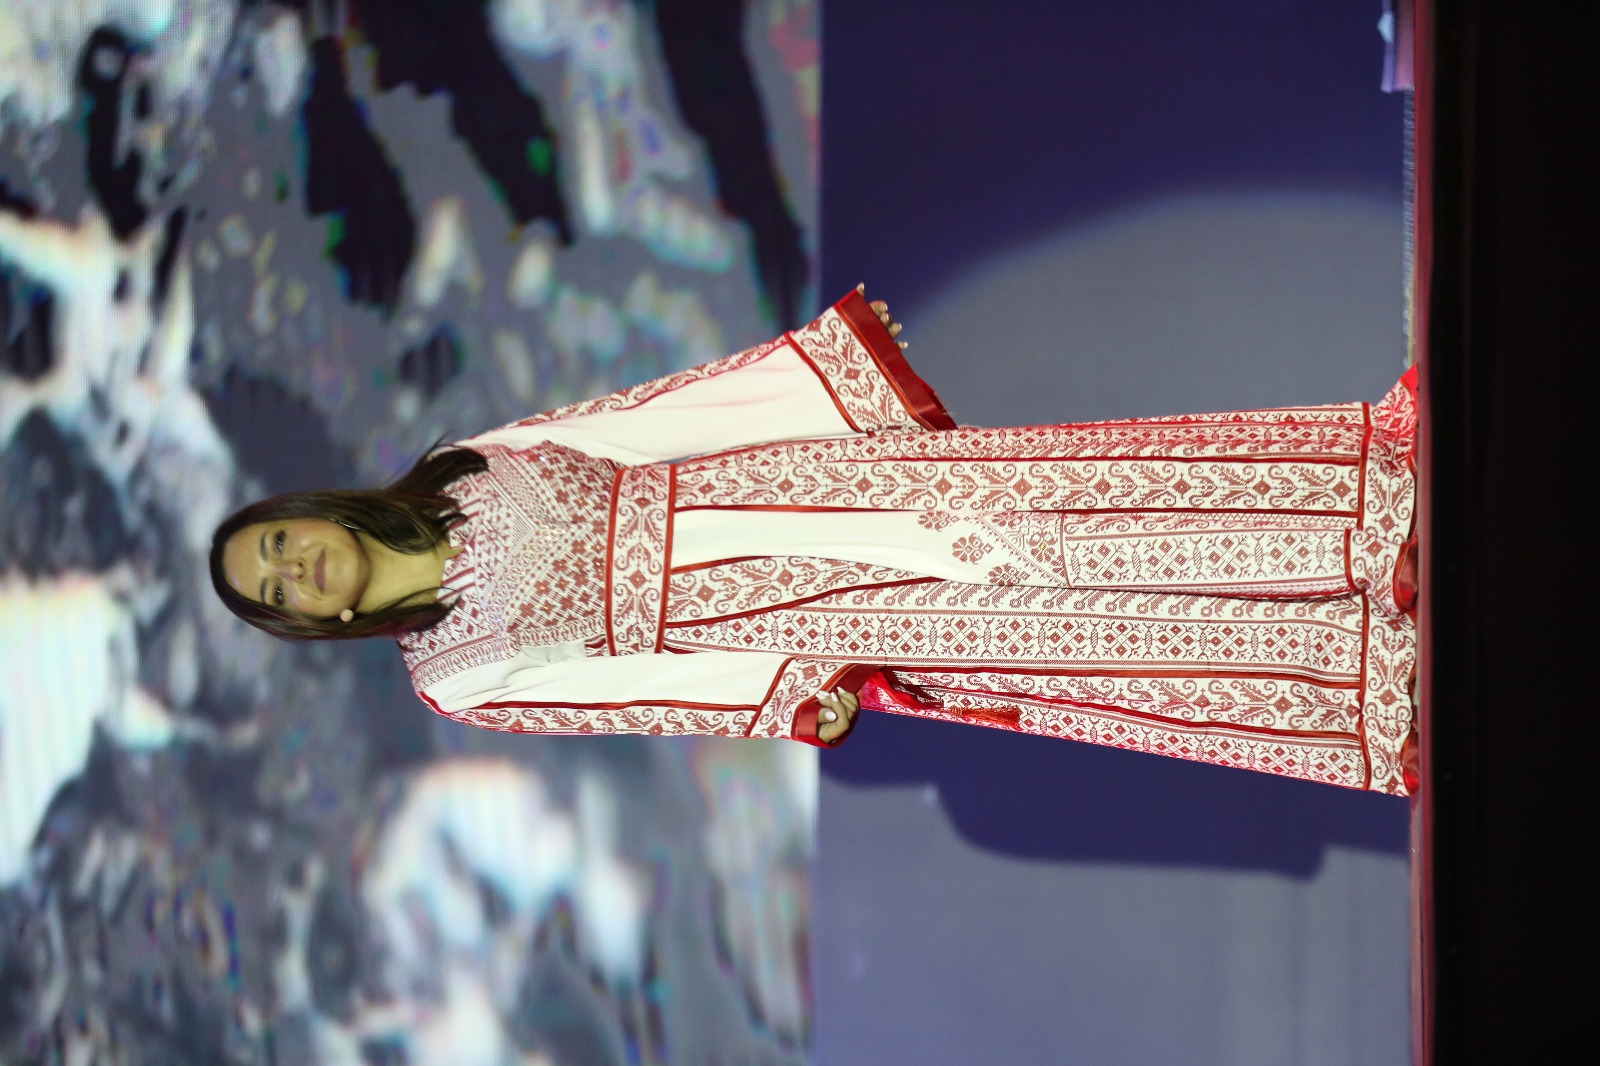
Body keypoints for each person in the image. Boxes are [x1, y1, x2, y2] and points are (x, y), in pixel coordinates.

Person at [212, 286, 1419, 794]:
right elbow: (634, 697)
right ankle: (1354, 668)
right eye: (276, 588)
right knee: (1055, 628)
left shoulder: (462, 466)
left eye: (276, 542)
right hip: (789, 614)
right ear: (310, 619)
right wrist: (789, 695)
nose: (292, 567)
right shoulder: (452, 675)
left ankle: (1363, 519)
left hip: (798, 484)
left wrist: (818, 365)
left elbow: (646, 422)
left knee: (1060, 501)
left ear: (306, 511)